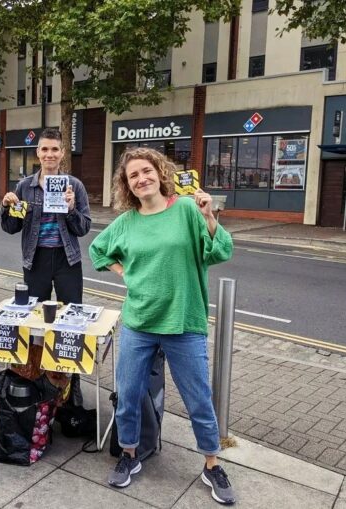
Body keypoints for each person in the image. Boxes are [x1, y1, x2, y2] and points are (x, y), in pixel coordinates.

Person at [89, 147, 236, 505]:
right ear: (127, 185)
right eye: (133, 176)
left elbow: (220, 252)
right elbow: (97, 251)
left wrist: (210, 218)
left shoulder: (187, 208)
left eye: (146, 171)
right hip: (140, 322)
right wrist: (125, 273)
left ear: (160, 172)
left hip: (184, 322)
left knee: (198, 399)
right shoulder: (126, 222)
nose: (141, 179)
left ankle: (211, 464)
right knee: (128, 395)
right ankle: (129, 455)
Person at [0, 128, 91, 305]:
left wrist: (71, 209)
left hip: (67, 259)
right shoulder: (24, 187)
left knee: (70, 311)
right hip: (35, 258)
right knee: (34, 312)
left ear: (62, 153)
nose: (50, 154)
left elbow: (84, 228)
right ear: (38, 152)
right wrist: (6, 206)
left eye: (55, 149)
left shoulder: (75, 185)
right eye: (45, 149)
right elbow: (11, 228)